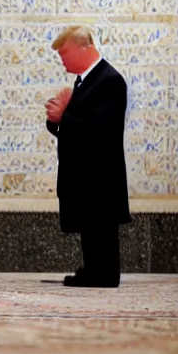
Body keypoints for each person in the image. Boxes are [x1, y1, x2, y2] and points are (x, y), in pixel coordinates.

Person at [45, 26, 131, 288]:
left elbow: (102, 130)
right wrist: (55, 122)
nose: (61, 57)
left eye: (65, 51)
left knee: (100, 227)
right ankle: (93, 269)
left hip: (100, 175)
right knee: (90, 227)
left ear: (85, 47)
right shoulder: (86, 81)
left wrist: (64, 118)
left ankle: (104, 274)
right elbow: (75, 129)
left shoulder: (109, 80)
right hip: (85, 173)